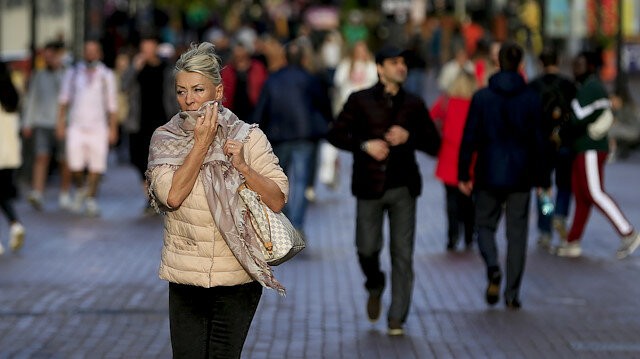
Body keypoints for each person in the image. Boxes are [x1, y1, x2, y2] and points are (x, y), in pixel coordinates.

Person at [146, 42, 289, 358]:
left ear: (219, 91)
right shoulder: (165, 138)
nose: (189, 99)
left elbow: (277, 200)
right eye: (181, 91)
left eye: (198, 89)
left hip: (238, 274)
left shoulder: (248, 136)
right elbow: (172, 196)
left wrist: (243, 168)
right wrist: (201, 145)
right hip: (186, 274)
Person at [327, 46, 441, 335]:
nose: (401, 67)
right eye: (394, 63)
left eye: (403, 62)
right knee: (367, 248)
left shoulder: (414, 103)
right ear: (380, 68)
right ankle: (375, 284)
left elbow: (435, 144)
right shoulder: (360, 100)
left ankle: (397, 317)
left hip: (404, 187)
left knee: (402, 254)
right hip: (368, 186)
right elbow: (336, 133)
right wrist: (365, 145)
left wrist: (410, 136)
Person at [458, 42, 549, 310]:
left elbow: (469, 137)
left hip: (488, 171)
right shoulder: (532, 98)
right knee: (517, 234)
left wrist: (464, 172)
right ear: (521, 65)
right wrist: (544, 179)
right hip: (522, 174)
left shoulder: (483, 97)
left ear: (497, 63)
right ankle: (512, 293)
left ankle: (493, 266)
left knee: (484, 226)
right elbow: (540, 142)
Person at [553, 50, 640, 259]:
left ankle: (628, 232)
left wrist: (560, 127)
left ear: (591, 66)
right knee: (582, 195)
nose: (575, 68)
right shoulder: (589, 86)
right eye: (575, 64)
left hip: (590, 147)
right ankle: (573, 241)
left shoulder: (590, 88)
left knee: (594, 192)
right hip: (583, 147)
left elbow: (577, 118)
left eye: (580, 64)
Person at [251, 39, 333, 236]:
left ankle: (286, 219)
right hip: (305, 135)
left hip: (279, 136)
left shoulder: (273, 79)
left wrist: (254, 130)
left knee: (281, 179)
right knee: (302, 181)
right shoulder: (310, 78)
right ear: (303, 58)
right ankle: (296, 224)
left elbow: (262, 108)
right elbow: (323, 104)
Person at [56, 39, 118, 217]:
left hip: (98, 127)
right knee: (75, 165)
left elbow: (112, 105)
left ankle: (91, 199)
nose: (90, 53)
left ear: (100, 53)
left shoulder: (106, 75)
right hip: (76, 126)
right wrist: (60, 123)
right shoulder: (73, 73)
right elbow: (63, 100)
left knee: (96, 167)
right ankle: (81, 188)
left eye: (94, 50)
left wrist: (113, 128)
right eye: (87, 50)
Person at [121, 34, 178, 213]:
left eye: (150, 45)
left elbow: (174, 93)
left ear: (156, 46)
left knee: (158, 161)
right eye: (143, 46)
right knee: (139, 160)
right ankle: (150, 197)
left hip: (161, 121)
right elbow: (123, 86)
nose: (147, 50)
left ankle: (153, 199)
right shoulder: (137, 67)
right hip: (139, 121)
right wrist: (134, 68)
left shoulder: (166, 68)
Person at [528, 47, 577, 249]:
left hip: (541, 144)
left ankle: (545, 228)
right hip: (565, 142)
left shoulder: (533, 86)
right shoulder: (569, 85)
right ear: (557, 61)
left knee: (544, 188)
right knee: (565, 185)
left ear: (540, 63)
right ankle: (561, 215)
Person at [429, 68, 477, 251]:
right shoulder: (475, 103)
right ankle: (469, 233)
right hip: (471, 155)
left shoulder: (446, 102)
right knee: (468, 198)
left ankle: (452, 235)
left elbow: (429, 117)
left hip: (448, 154)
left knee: (451, 200)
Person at [22, 41, 73, 211]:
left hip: (63, 124)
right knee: (41, 157)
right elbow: (32, 99)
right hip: (42, 123)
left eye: (52, 56)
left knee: (64, 160)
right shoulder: (39, 75)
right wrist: (27, 122)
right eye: (46, 57)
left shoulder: (66, 74)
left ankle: (64, 194)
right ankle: (37, 192)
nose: (48, 60)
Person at [0, 61, 25, 254]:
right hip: (10, 156)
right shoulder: (13, 96)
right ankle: (15, 225)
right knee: (4, 195)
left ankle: (15, 225)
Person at [220, 41, 268, 123]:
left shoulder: (258, 68)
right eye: (237, 56)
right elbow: (224, 92)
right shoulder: (227, 71)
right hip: (233, 113)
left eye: (242, 56)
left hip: (254, 111)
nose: (240, 59)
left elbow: (264, 89)